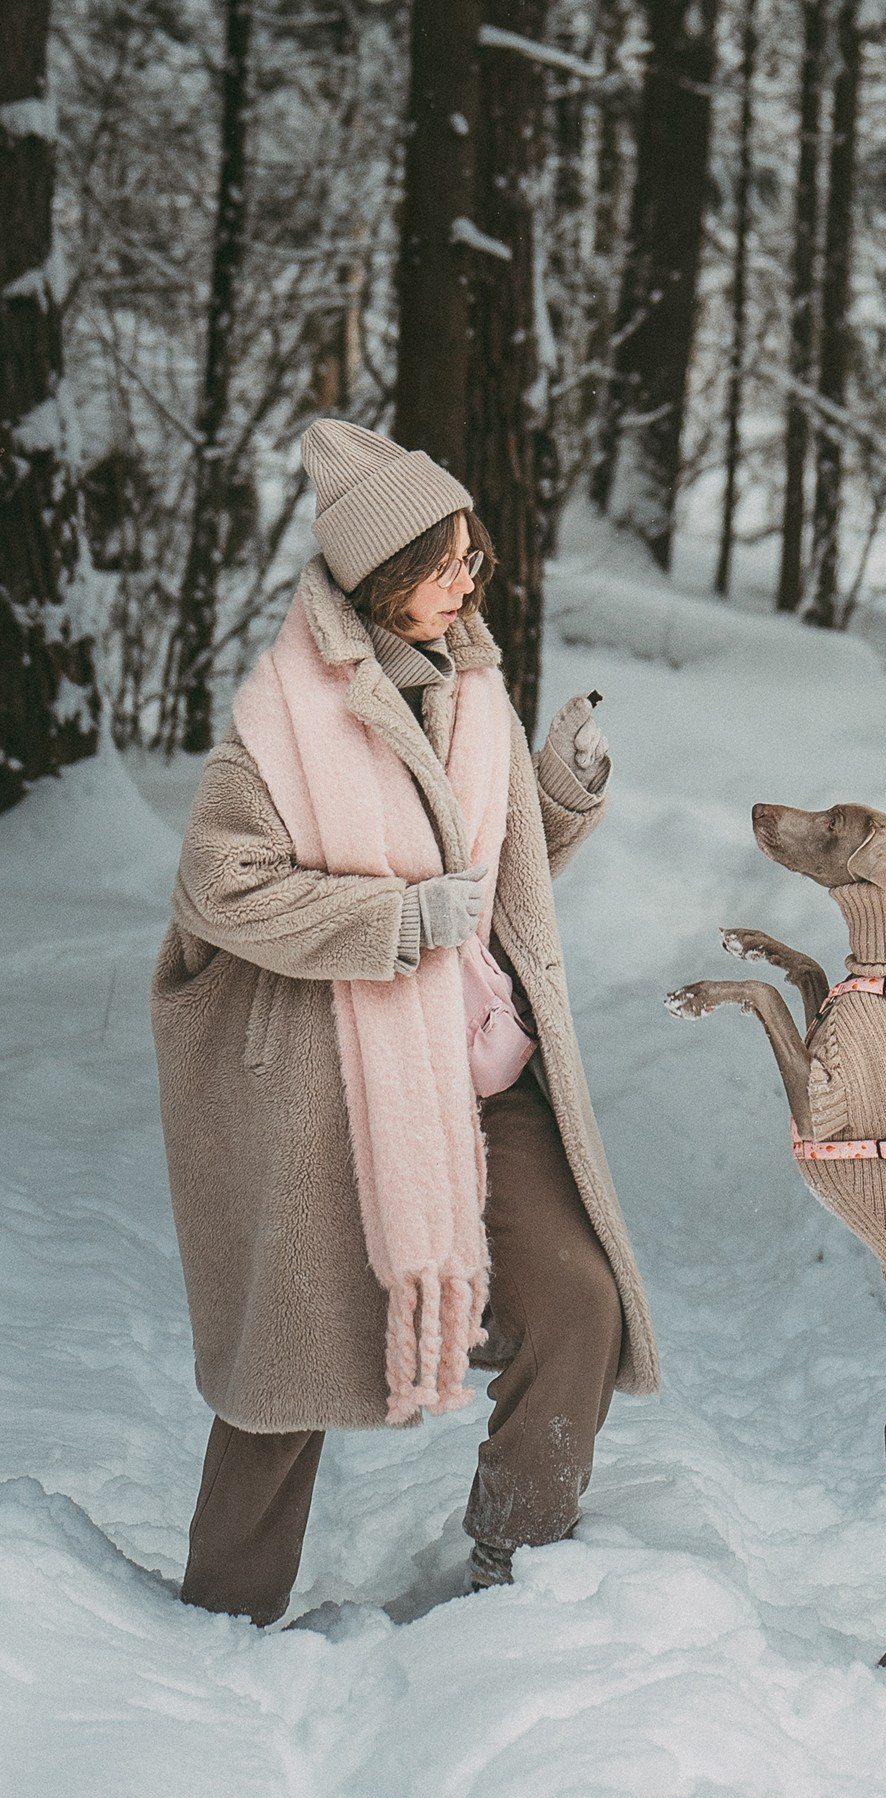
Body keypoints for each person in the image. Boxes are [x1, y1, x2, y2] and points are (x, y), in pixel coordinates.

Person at [152, 419, 659, 1624]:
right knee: (284, 1376)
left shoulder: (470, 692)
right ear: (377, 578)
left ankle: (515, 1577)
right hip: (334, 1089)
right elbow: (219, 891)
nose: (466, 582)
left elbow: (485, 877)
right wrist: (386, 925)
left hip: (474, 1077)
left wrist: (558, 792)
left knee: (575, 1302)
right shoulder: (276, 732)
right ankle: (214, 1627)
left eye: (471, 558)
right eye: (444, 564)